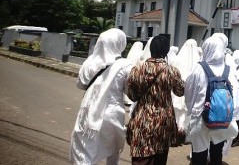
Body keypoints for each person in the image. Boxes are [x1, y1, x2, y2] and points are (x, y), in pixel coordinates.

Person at [70, 28, 133, 165]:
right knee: (113, 150)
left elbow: (81, 84)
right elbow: (130, 92)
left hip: (88, 112)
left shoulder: (89, 62)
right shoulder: (125, 65)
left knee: (85, 150)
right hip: (112, 113)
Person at [126, 35, 185, 164]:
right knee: (159, 159)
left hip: (142, 120)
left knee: (141, 159)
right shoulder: (171, 71)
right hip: (163, 123)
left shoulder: (137, 70)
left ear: (151, 49)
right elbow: (180, 92)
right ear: (166, 51)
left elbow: (132, 96)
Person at [184, 36, 238, 165]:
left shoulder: (197, 69)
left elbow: (188, 93)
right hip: (222, 117)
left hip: (200, 117)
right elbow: (234, 95)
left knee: (199, 152)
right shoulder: (228, 70)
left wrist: (192, 110)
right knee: (217, 150)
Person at [172, 39, 201, 134]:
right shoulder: (198, 62)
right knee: (187, 113)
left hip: (177, 90)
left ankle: (176, 130)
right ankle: (184, 131)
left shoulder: (177, 59)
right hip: (190, 91)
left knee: (177, 112)